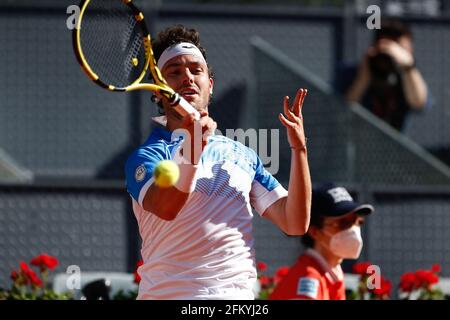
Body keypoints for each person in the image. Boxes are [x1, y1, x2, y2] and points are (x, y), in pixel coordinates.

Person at [125, 25, 312, 300]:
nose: (187, 77)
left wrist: (299, 148)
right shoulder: (147, 156)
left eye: (195, 70)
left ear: (209, 85)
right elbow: (165, 207)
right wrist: (193, 148)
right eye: (174, 72)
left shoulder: (243, 155)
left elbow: (294, 222)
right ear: (158, 90)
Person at [269, 183, 374, 300]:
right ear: (314, 231)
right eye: (343, 223)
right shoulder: (308, 278)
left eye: (357, 221)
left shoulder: (330, 273)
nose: (353, 230)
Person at [340, 19, 430, 131]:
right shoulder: (352, 73)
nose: (391, 56)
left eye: (398, 50)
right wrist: (364, 76)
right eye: (387, 49)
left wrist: (408, 67)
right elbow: (344, 109)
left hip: (399, 145)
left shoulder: (410, 76)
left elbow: (419, 103)